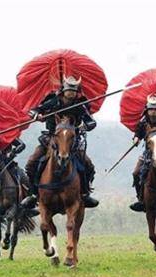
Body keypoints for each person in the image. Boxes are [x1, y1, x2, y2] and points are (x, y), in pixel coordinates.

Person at [20, 76, 99, 209]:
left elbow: (91, 121)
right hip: (51, 138)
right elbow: (34, 110)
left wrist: (84, 126)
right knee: (31, 163)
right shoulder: (52, 100)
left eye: (74, 91)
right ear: (63, 90)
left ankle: (85, 193)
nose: (71, 93)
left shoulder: (81, 104)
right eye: (69, 90)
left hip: (72, 141)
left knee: (88, 165)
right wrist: (37, 115)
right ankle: (33, 194)